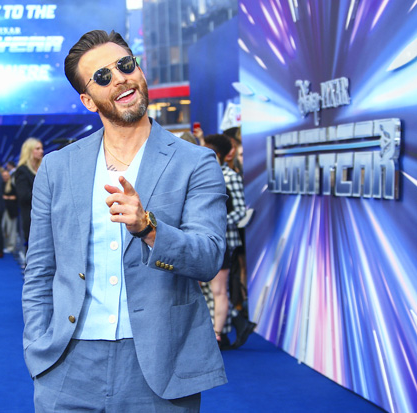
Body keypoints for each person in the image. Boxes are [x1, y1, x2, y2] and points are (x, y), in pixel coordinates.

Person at [22, 30, 227, 411]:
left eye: (125, 65)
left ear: (140, 70)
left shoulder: (195, 162)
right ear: (88, 100)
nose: (119, 78)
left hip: (162, 366)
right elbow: (39, 269)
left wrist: (149, 229)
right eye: (102, 76)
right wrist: (38, 345)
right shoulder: (57, 167)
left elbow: (209, 258)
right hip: (67, 366)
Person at [202, 133, 255, 350]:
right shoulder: (204, 173)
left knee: (219, 289)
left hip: (224, 240)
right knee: (210, 290)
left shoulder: (230, 177)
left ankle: (220, 333)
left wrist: (218, 223)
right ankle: (232, 324)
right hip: (206, 239)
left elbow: (240, 210)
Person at [14, 137, 43, 246]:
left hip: (45, 214)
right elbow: (23, 196)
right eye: (37, 149)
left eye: (41, 148)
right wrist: (45, 195)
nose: (41, 151)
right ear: (29, 151)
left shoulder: (43, 167)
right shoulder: (22, 170)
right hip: (31, 215)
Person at [0, 167, 18, 254]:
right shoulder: (1, 185)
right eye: (3, 176)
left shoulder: (12, 185)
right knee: (3, 228)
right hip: (3, 210)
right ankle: (5, 245)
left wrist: (7, 197)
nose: (5, 177)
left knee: (11, 229)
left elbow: (16, 197)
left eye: (6, 176)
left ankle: (11, 246)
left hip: (11, 210)